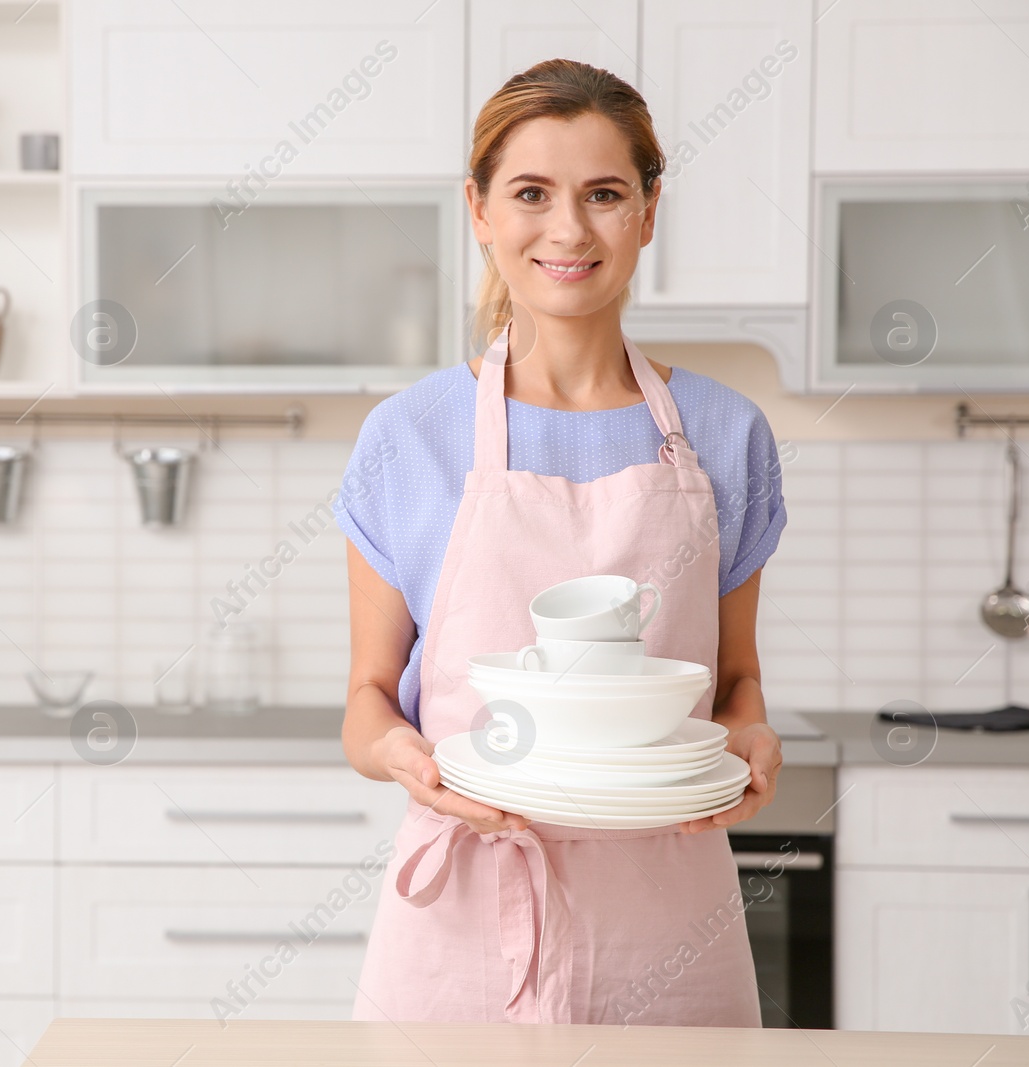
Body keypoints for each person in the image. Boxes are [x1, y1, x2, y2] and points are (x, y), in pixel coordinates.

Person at [333, 58, 788, 1025]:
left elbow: (737, 678)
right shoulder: (408, 437)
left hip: (670, 925)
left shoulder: (727, 431)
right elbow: (368, 704)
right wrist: (409, 760)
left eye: (605, 194)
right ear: (480, 210)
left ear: (649, 212)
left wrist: (748, 734)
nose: (570, 229)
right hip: (460, 917)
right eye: (532, 193)